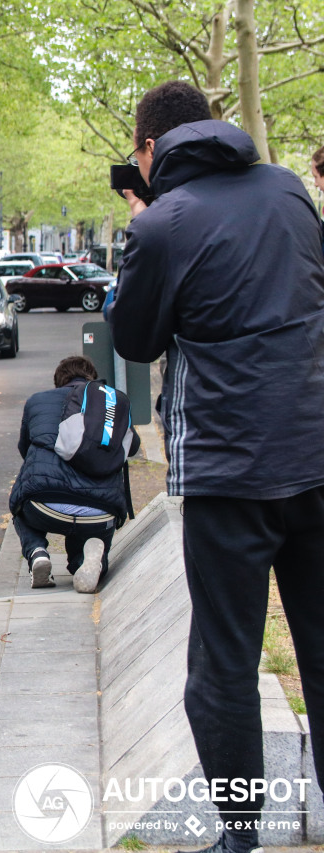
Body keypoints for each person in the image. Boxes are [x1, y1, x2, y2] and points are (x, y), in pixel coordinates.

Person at [111, 80, 324, 853]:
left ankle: (241, 837)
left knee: (225, 662)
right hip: (316, 450)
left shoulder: (163, 225)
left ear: (149, 149)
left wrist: (139, 229)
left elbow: (134, 340)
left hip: (227, 473)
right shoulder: (291, 189)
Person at [10, 356, 139, 593]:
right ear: (92, 378)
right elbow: (131, 447)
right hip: (101, 510)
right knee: (89, 535)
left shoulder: (38, 401)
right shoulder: (107, 405)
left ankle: (37, 551)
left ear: (58, 381)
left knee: (20, 505)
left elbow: (24, 448)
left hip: (44, 505)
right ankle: (86, 561)